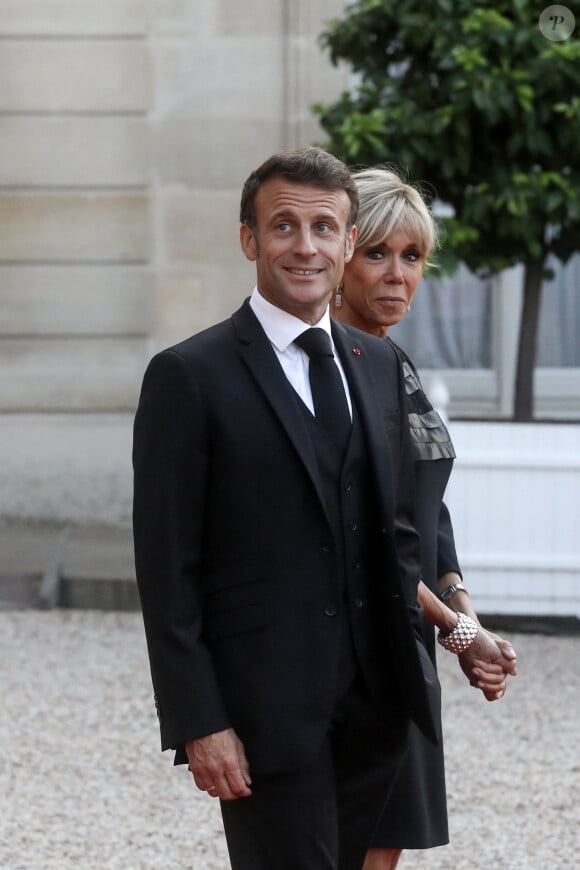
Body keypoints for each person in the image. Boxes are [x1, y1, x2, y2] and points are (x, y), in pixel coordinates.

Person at [330, 166, 518, 870]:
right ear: (342, 252)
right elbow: (364, 537)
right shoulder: (332, 373)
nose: (397, 275)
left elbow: (426, 513)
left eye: (412, 257)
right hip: (357, 646)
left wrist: (466, 612)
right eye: (377, 253)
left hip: (410, 642)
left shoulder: (393, 362)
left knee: (385, 849)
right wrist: (459, 630)